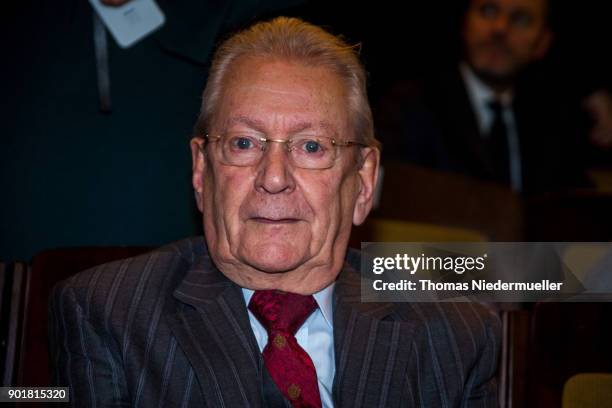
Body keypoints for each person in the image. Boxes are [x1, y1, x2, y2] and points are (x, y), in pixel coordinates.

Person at [49, 17, 500, 407]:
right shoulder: (108, 312)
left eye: (311, 147)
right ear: (202, 171)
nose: (274, 177)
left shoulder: (457, 332)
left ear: (363, 181)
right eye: (244, 143)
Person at [379, 0, 610, 194]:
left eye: (521, 19)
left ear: (542, 43)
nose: (500, 29)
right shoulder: (409, 107)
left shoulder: (553, 121)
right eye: (488, 11)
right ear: (465, 23)